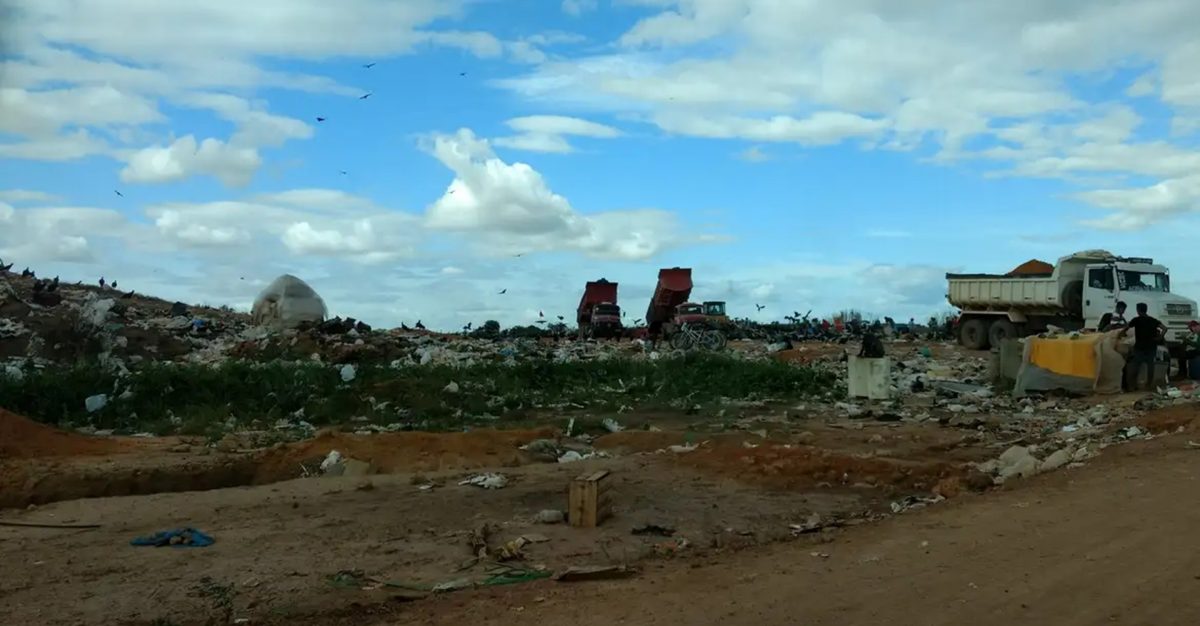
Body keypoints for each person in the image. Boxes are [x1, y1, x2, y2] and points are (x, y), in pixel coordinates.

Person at [1119, 302, 1166, 391]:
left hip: (1140, 347)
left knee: (1135, 366)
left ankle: (1132, 386)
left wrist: (1120, 334)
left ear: (1138, 310)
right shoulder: (1153, 320)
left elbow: (1126, 328)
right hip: (1151, 347)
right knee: (1150, 366)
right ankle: (1148, 385)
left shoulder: (1136, 320)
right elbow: (1164, 328)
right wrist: (1159, 337)